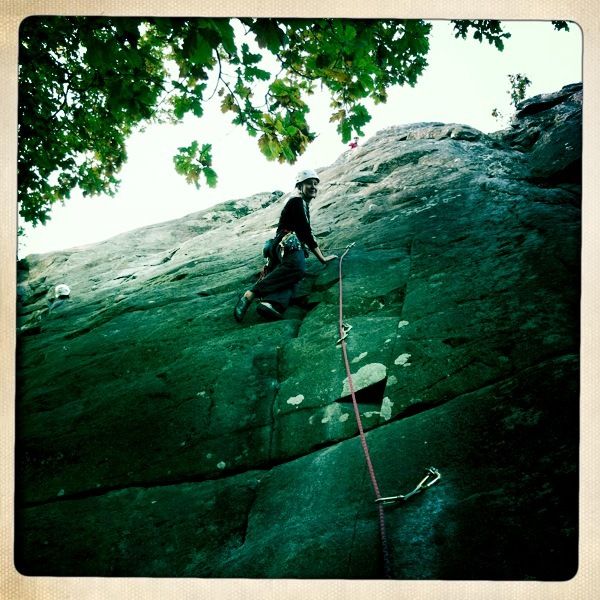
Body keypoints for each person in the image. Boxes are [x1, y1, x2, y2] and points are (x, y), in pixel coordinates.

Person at [234, 169, 337, 322]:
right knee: (297, 268)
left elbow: (305, 232)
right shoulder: (296, 201)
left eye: (315, 184)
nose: (314, 187)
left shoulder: (303, 205)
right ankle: (251, 294)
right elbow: (305, 233)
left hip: (284, 247)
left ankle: (271, 304)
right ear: (300, 186)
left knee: (292, 278)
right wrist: (322, 258)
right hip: (287, 243)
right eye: (309, 183)